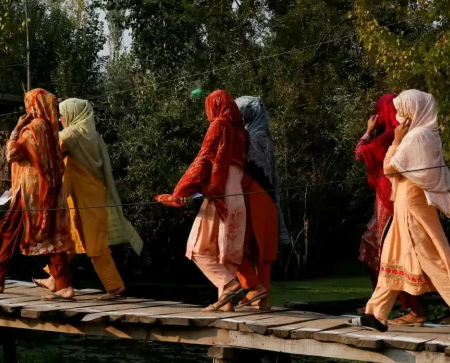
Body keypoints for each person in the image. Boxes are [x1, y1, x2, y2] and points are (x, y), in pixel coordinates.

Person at [350, 89, 450, 341]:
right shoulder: (423, 134)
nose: (400, 116)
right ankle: (377, 315)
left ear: (415, 110)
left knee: (433, 262)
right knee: (390, 260)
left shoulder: (418, 137)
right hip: (404, 207)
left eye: (403, 110)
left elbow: (390, 169)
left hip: (412, 210)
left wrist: (395, 142)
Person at [156, 90, 264, 311]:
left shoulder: (219, 125)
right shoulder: (242, 133)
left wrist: (180, 191)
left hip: (221, 192)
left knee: (197, 248)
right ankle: (225, 305)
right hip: (238, 196)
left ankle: (229, 284)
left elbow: (203, 158)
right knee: (226, 252)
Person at [34, 98, 144, 300]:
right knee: (71, 237)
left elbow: (48, 152)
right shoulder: (93, 136)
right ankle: (54, 278)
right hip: (88, 194)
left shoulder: (71, 135)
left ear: (73, 114)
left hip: (84, 197)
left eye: (62, 114)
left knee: (94, 242)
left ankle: (114, 287)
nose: (60, 118)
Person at [0, 88, 76, 299]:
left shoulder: (31, 129)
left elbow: (12, 154)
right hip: (47, 190)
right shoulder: (49, 129)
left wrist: (16, 128)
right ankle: (64, 285)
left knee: (11, 231)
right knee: (49, 233)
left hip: (30, 192)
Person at [354, 94, 426, 325]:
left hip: (390, 203)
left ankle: (409, 309)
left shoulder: (389, 136)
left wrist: (368, 130)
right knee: (384, 252)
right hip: (400, 201)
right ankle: (384, 305)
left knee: (387, 254)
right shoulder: (411, 134)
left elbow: (359, 152)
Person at [234, 96, 290, 309]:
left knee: (237, 246)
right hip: (266, 198)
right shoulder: (266, 138)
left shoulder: (249, 138)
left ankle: (253, 289)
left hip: (251, 195)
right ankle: (261, 300)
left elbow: (247, 171)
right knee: (262, 252)